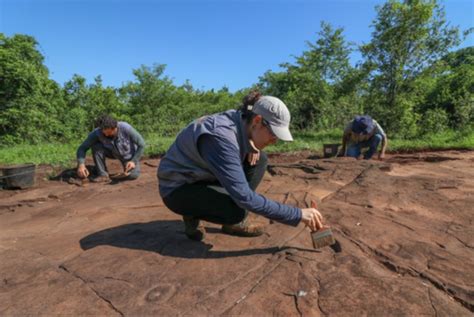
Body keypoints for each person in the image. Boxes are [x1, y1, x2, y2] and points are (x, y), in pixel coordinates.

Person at [157, 91, 324, 241]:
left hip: (202, 173)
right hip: (178, 188)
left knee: (260, 159)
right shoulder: (220, 137)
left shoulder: (243, 121)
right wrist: (298, 214)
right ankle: (192, 214)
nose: (275, 140)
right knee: (237, 211)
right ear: (257, 121)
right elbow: (245, 197)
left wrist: (249, 144)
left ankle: (230, 219)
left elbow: (242, 136)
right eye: (274, 133)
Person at [76, 114, 146, 182]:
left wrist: (133, 161)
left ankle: (119, 176)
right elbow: (82, 148)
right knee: (96, 147)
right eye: (103, 131)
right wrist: (81, 165)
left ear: (114, 128)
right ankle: (103, 175)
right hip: (112, 152)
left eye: (108, 132)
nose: (105, 134)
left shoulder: (125, 128)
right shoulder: (97, 132)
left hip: (128, 157)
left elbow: (142, 144)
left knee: (133, 175)